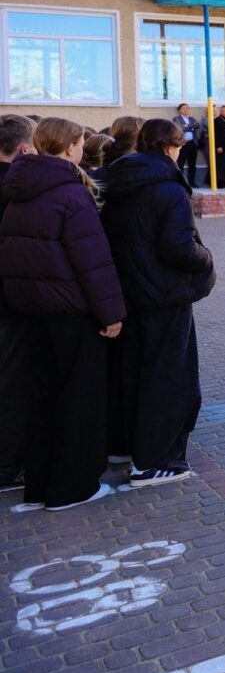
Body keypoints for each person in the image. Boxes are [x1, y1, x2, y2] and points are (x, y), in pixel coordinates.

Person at [0, 117, 126, 511]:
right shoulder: (71, 194)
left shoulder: (19, 189)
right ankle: (72, 487)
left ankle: (40, 484)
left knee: (42, 398)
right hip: (71, 312)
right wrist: (111, 313)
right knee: (80, 398)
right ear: (70, 147)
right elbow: (93, 261)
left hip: (31, 310)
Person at [101, 119, 215, 488]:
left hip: (130, 291)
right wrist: (206, 259)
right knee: (168, 378)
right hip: (164, 295)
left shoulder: (116, 181)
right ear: (171, 147)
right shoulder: (167, 189)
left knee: (132, 372)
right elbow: (179, 247)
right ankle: (155, 461)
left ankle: (125, 446)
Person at [0, 114, 36, 494]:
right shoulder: (16, 191)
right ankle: (9, 467)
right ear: (25, 148)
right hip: (11, 305)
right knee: (13, 383)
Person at [171, 103, 203, 185]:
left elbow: (197, 125)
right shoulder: (176, 118)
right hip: (183, 144)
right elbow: (179, 127)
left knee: (192, 164)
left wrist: (187, 125)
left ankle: (192, 182)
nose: (186, 110)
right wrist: (190, 126)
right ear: (179, 110)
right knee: (181, 163)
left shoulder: (192, 118)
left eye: (187, 108)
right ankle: (181, 182)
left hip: (193, 143)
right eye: (183, 108)